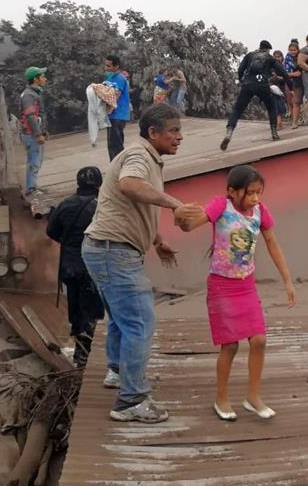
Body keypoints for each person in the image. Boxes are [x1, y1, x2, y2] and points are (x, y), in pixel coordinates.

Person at [81, 104, 189, 423]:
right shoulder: (139, 156)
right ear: (152, 133)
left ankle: (117, 372)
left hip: (105, 249)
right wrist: (174, 204)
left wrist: (157, 242)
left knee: (120, 318)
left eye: (179, 131)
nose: (179, 137)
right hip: (114, 251)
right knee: (139, 323)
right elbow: (130, 185)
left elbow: (133, 206)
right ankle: (131, 400)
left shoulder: (146, 156)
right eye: (173, 131)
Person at [174, 165, 296, 421]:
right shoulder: (221, 206)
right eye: (250, 193)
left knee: (259, 340)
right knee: (229, 345)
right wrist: (181, 216)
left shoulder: (261, 212)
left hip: (246, 285)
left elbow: (273, 243)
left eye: (259, 193)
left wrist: (287, 280)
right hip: (221, 285)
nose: (255, 198)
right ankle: (221, 398)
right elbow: (190, 225)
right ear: (232, 191)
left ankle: (253, 397)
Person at [46, 166, 105, 368]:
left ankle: (80, 354)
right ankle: (85, 357)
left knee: (77, 310)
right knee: (92, 312)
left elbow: (51, 231)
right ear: (99, 184)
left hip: (69, 267)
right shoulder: (100, 206)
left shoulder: (65, 204)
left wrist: (69, 242)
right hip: (92, 266)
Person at [222, 40, 290, 149]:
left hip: (248, 85)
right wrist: (290, 86)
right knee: (271, 107)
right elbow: (282, 72)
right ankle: (274, 132)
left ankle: (229, 133)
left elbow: (240, 70)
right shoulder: (269, 57)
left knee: (237, 110)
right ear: (268, 49)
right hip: (263, 85)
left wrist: (242, 80)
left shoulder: (249, 55)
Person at [19, 66, 49, 198]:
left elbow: (38, 115)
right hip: (31, 134)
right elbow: (30, 116)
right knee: (34, 161)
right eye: (42, 77)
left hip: (34, 133)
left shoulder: (34, 93)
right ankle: (31, 189)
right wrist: (38, 134)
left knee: (37, 160)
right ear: (35, 79)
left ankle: (33, 186)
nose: (45, 79)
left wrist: (43, 131)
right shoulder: (28, 95)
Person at [104, 55, 132, 161]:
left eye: (109, 66)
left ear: (116, 67)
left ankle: (119, 167)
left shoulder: (120, 79)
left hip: (118, 115)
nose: (106, 68)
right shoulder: (111, 78)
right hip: (112, 115)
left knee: (115, 144)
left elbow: (116, 96)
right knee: (112, 143)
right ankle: (116, 167)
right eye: (105, 65)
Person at [283, 41, 304, 129]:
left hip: (298, 83)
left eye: (294, 50)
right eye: (291, 50)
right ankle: (293, 120)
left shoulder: (300, 58)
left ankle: (295, 122)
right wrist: (287, 74)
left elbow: (299, 73)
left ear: (297, 50)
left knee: (296, 102)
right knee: (289, 102)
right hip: (288, 82)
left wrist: (287, 74)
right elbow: (284, 70)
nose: (293, 52)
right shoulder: (287, 58)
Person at [269, 50, 288, 131]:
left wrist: (280, 77)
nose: (277, 58)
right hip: (273, 89)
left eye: (279, 57)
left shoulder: (283, 66)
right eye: (275, 57)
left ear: (282, 58)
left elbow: (285, 78)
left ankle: (280, 123)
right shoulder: (270, 67)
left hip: (282, 89)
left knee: (281, 107)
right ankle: (278, 124)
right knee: (276, 107)